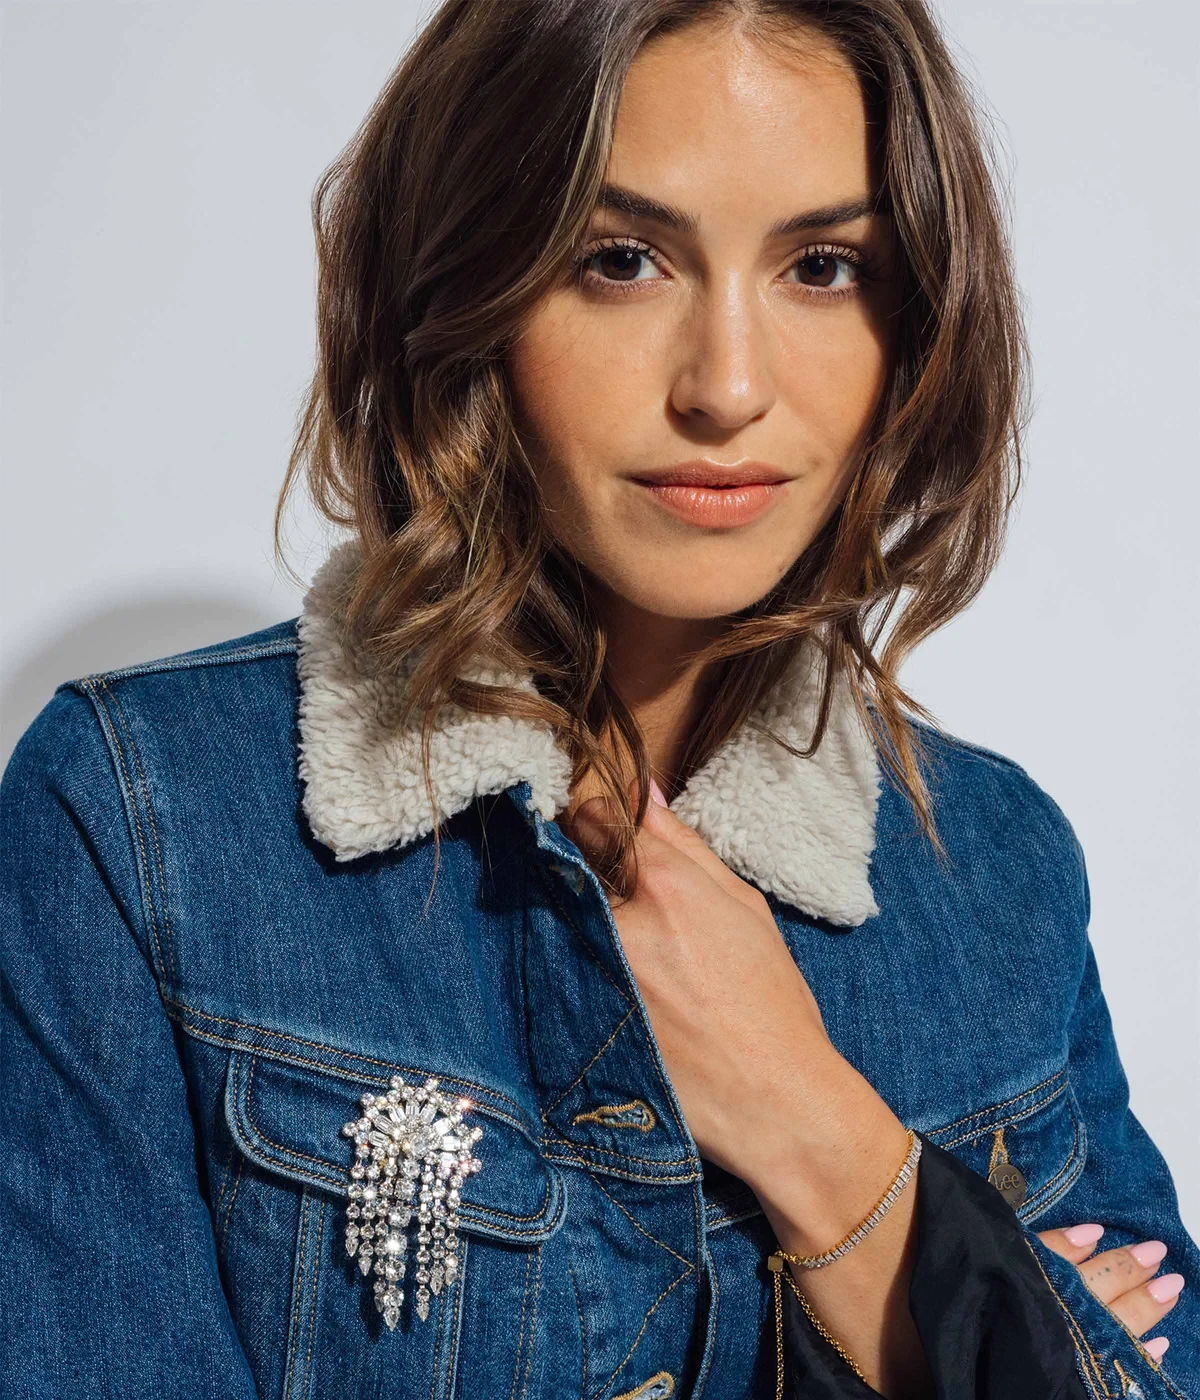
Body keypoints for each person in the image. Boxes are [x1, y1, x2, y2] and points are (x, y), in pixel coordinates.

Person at [1, 1, 1196, 1396]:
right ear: (466, 287)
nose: (727, 388)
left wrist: (822, 1138)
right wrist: (970, 1315)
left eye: (822, 267)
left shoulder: (993, 873)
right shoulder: (139, 825)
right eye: (620, 260)